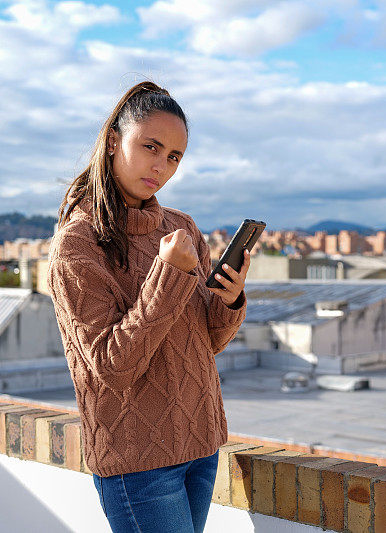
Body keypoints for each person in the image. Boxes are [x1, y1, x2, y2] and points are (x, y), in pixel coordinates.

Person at [47, 81, 250, 533]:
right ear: (115, 141)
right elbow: (112, 367)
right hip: (137, 460)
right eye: (151, 147)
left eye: (174, 156)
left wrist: (230, 297)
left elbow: (206, 341)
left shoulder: (181, 227)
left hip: (201, 442)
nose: (161, 166)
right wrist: (169, 275)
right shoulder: (78, 244)